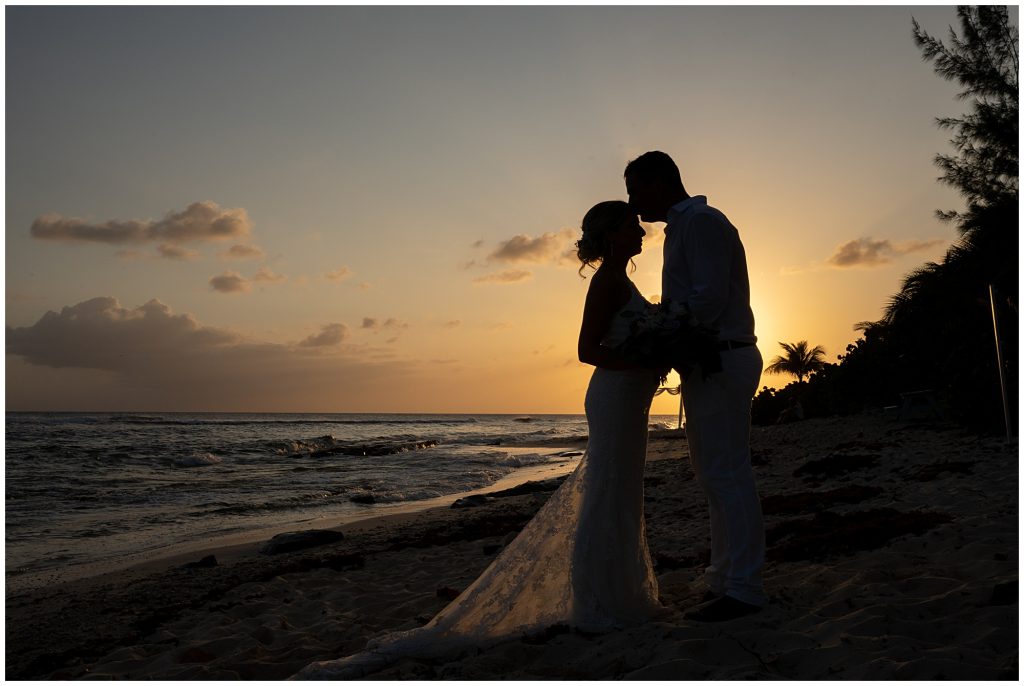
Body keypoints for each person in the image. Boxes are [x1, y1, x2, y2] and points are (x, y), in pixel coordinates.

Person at [292, 201, 664, 679]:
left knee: (620, 494)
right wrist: (645, 359)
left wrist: (653, 353)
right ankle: (600, 605)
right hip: (615, 396)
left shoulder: (620, 279)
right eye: (632, 226)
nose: (641, 232)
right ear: (612, 233)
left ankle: (618, 597)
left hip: (628, 398)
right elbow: (586, 350)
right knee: (606, 493)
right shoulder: (607, 282)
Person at [624, 151, 766, 622]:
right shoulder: (682, 228)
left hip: (723, 357)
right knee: (712, 475)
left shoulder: (702, 221)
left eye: (636, 189)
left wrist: (660, 336)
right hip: (708, 361)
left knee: (727, 474)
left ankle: (744, 587)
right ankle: (725, 574)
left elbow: (708, 298)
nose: (632, 201)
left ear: (662, 182)